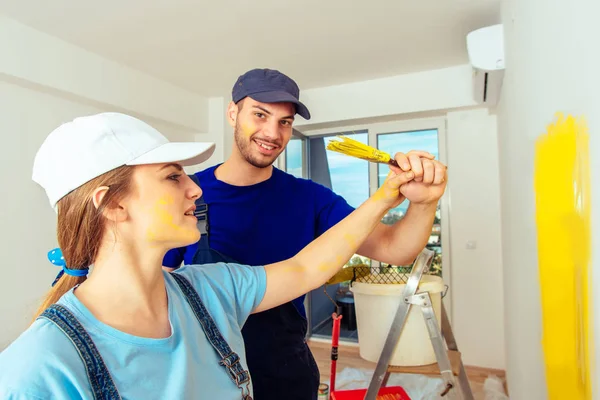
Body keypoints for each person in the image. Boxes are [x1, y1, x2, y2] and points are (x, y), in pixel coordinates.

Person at [0, 112, 417, 399]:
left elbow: (306, 267)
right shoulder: (41, 368)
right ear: (112, 205)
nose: (195, 189)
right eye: (172, 176)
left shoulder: (212, 288)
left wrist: (387, 195)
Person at [162, 68, 448, 399]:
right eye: (260, 114)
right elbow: (161, 285)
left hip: (285, 372)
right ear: (232, 113)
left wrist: (425, 204)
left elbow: (395, 249)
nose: (272, 132)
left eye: (285, 121)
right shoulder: (188, 193)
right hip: (206, 374)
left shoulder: (310, 197)